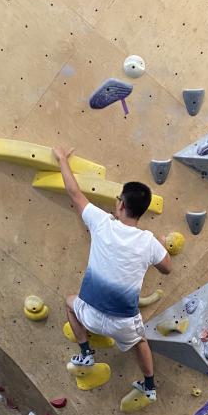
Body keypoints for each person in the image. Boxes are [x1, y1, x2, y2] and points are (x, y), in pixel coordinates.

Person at [53, 147, 172, 402]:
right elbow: (167, 268)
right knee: (140, 342)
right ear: (141, 211)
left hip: (91, 316)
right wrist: (160, 245)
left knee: (69, 302)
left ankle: (86, 352)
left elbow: (74, 193)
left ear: (120, 204)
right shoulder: (149, 242)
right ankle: (149, 386)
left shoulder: (101, 222)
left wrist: (62, 159)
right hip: (123, 325)